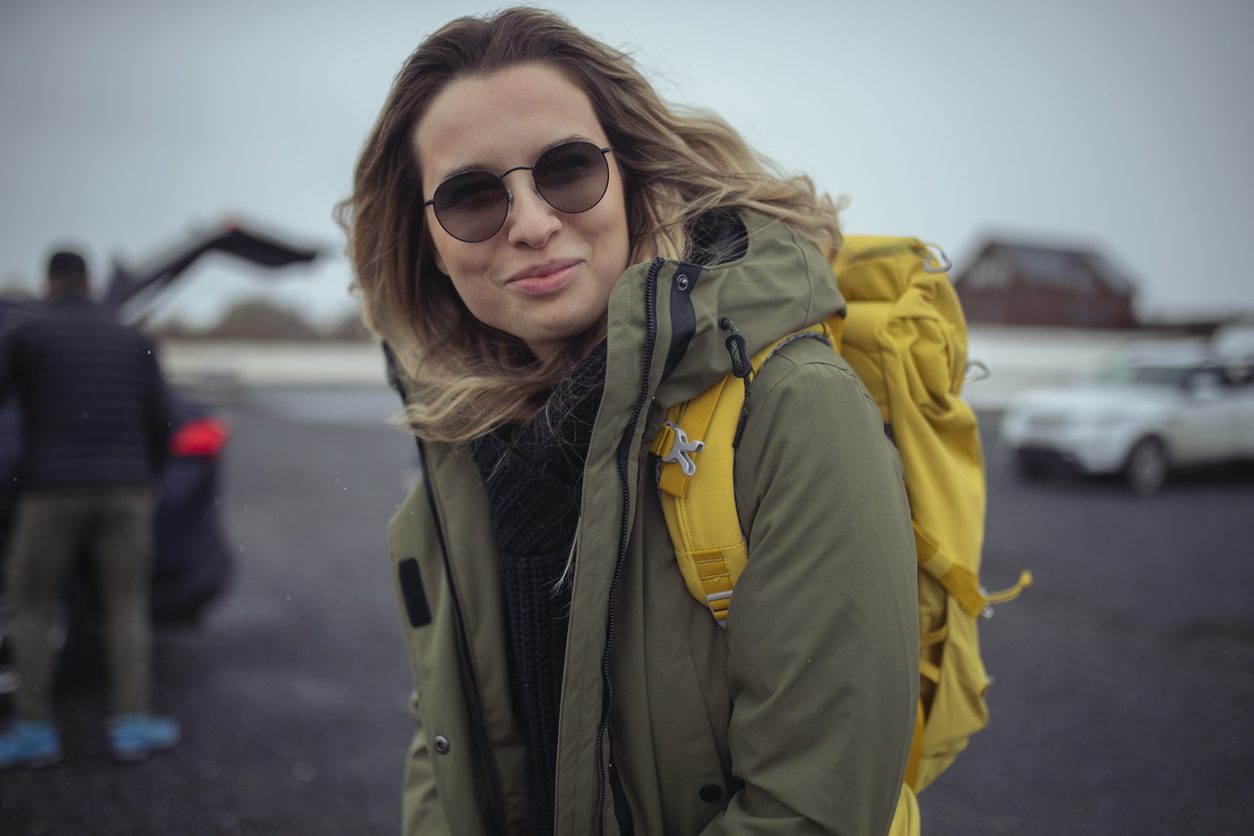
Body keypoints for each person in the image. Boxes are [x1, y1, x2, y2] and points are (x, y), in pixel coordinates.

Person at [341, 8, 919, 834]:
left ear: (632, 174)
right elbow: (445, 744)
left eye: (568, 169)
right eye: (472, 197)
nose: (533, 222)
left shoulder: (793, 404)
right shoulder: (464, 448)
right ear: (427, 239)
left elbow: (812, 809)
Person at [0, 250, 179, 768]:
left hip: (50, 492)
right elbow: (163, 418)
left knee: (33, 604)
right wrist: (150, 478)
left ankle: (33, 727)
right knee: (124, 604)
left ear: (50, 281)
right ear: (90, 280)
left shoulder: (27, 336)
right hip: (123, 490)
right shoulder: (130, 337)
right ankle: (131, 725)